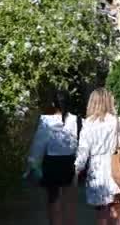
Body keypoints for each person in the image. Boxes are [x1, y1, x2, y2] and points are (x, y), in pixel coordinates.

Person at [75, 88, 120, 225]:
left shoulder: (87, 124)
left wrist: (76, 169)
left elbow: (83, 151)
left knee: (101, 214)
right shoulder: (118, 121)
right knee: (118, 211)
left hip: (96, 173)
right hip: (116, 171)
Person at [27, 90, 79, 225]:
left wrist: (33, 162)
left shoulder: (46, 120)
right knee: (69, 203)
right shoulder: (77, 120)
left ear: (53, 103)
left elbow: (39, 144)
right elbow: (83, 144)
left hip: (52, 163)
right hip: (71, 162)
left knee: (53, 201)